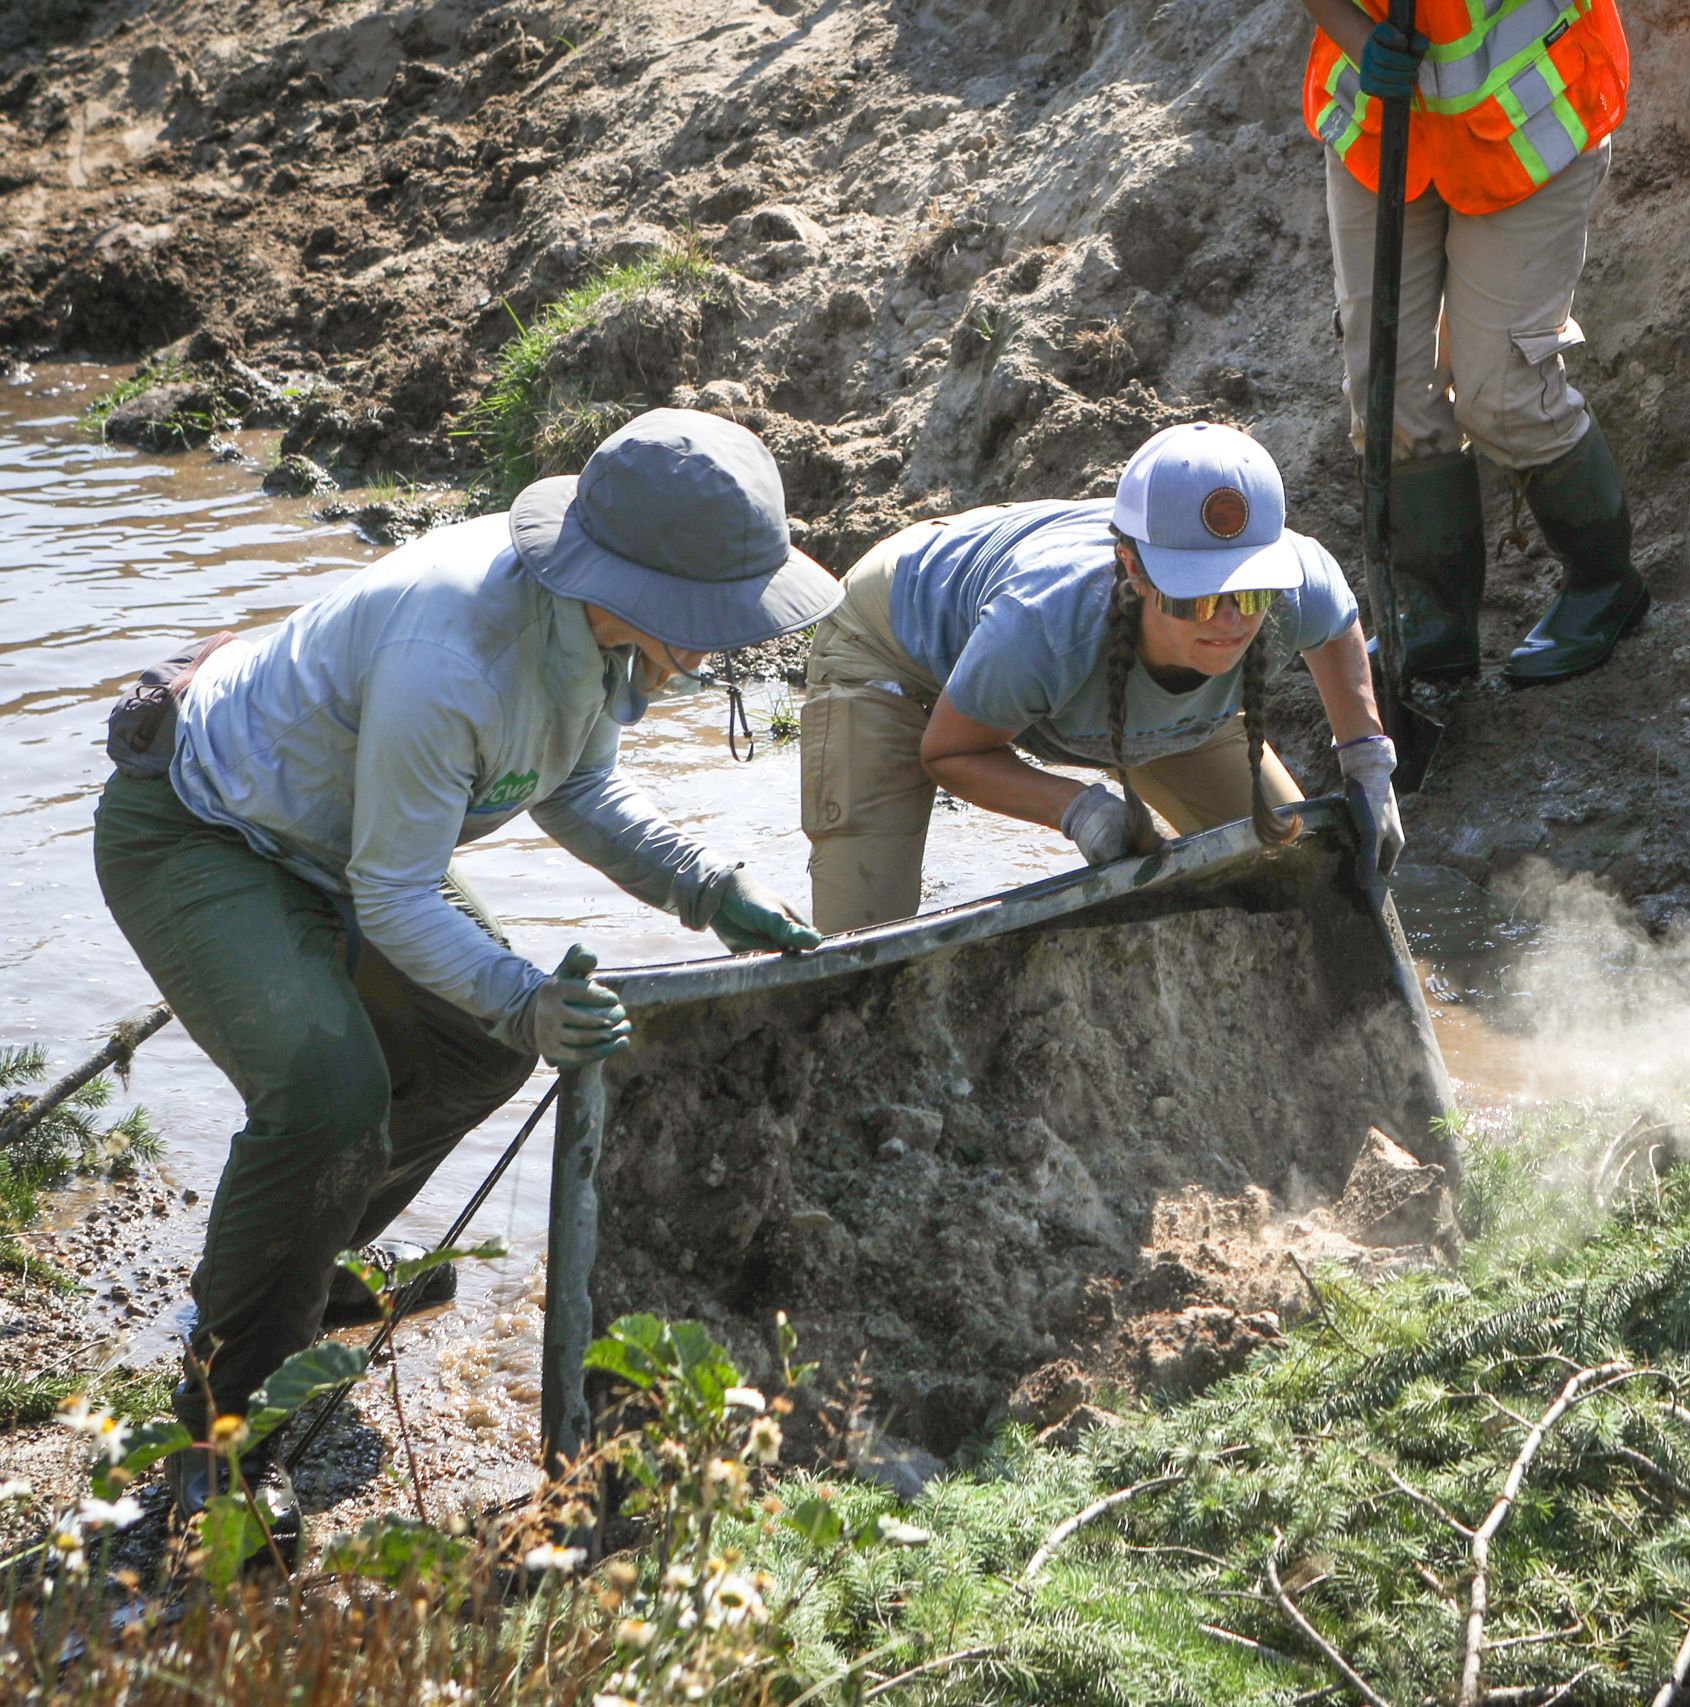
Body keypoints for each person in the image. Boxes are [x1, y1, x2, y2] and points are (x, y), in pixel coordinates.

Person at [92, 409, 834, 1551]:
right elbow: (396, 898)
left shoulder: (593, 635)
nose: (722, 644)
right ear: (626, 584)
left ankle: (301, 1260)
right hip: (201, 830)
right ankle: (219, 1425)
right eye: (708, 620)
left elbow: (576, 786)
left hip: (345, 842)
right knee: (326, 1092)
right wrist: (532, 997)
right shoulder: (457, 654)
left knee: (476, 1049)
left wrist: (705, 885)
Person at [798, 421, 1403, 932]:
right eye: (1196, 597)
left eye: (1248, 594)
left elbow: (1337, 625)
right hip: (894, 638)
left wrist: (1367, 763)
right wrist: (1077, 809)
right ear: (1132, 569)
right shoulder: (1044, 624)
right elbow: (950, 752)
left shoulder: (1295, 584)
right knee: (867, 938)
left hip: (1046, 633)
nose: (1227, 621)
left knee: (1299, 870)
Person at [1297, 0, 1642, 685]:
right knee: (1386, 392)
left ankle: (1607, 586)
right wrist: (1355, 34)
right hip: (1381, 116)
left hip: (1526, 123)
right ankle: (1432, 623)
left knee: (1503, 397)